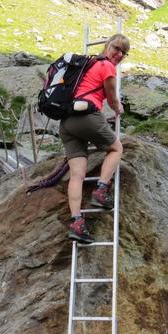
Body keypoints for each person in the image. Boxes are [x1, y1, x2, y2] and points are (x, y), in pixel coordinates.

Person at [60, 34, 129, 243]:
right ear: (108, 46)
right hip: (86, 116)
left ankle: (77, 224)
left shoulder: (87, 65)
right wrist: (118, 108)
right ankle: (100, 190)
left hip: (67, 122)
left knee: (77, 175)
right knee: (116, 148)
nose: (119, 55)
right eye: (117, 48)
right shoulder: (106, 65)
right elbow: (111, 96)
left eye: (124, 53)